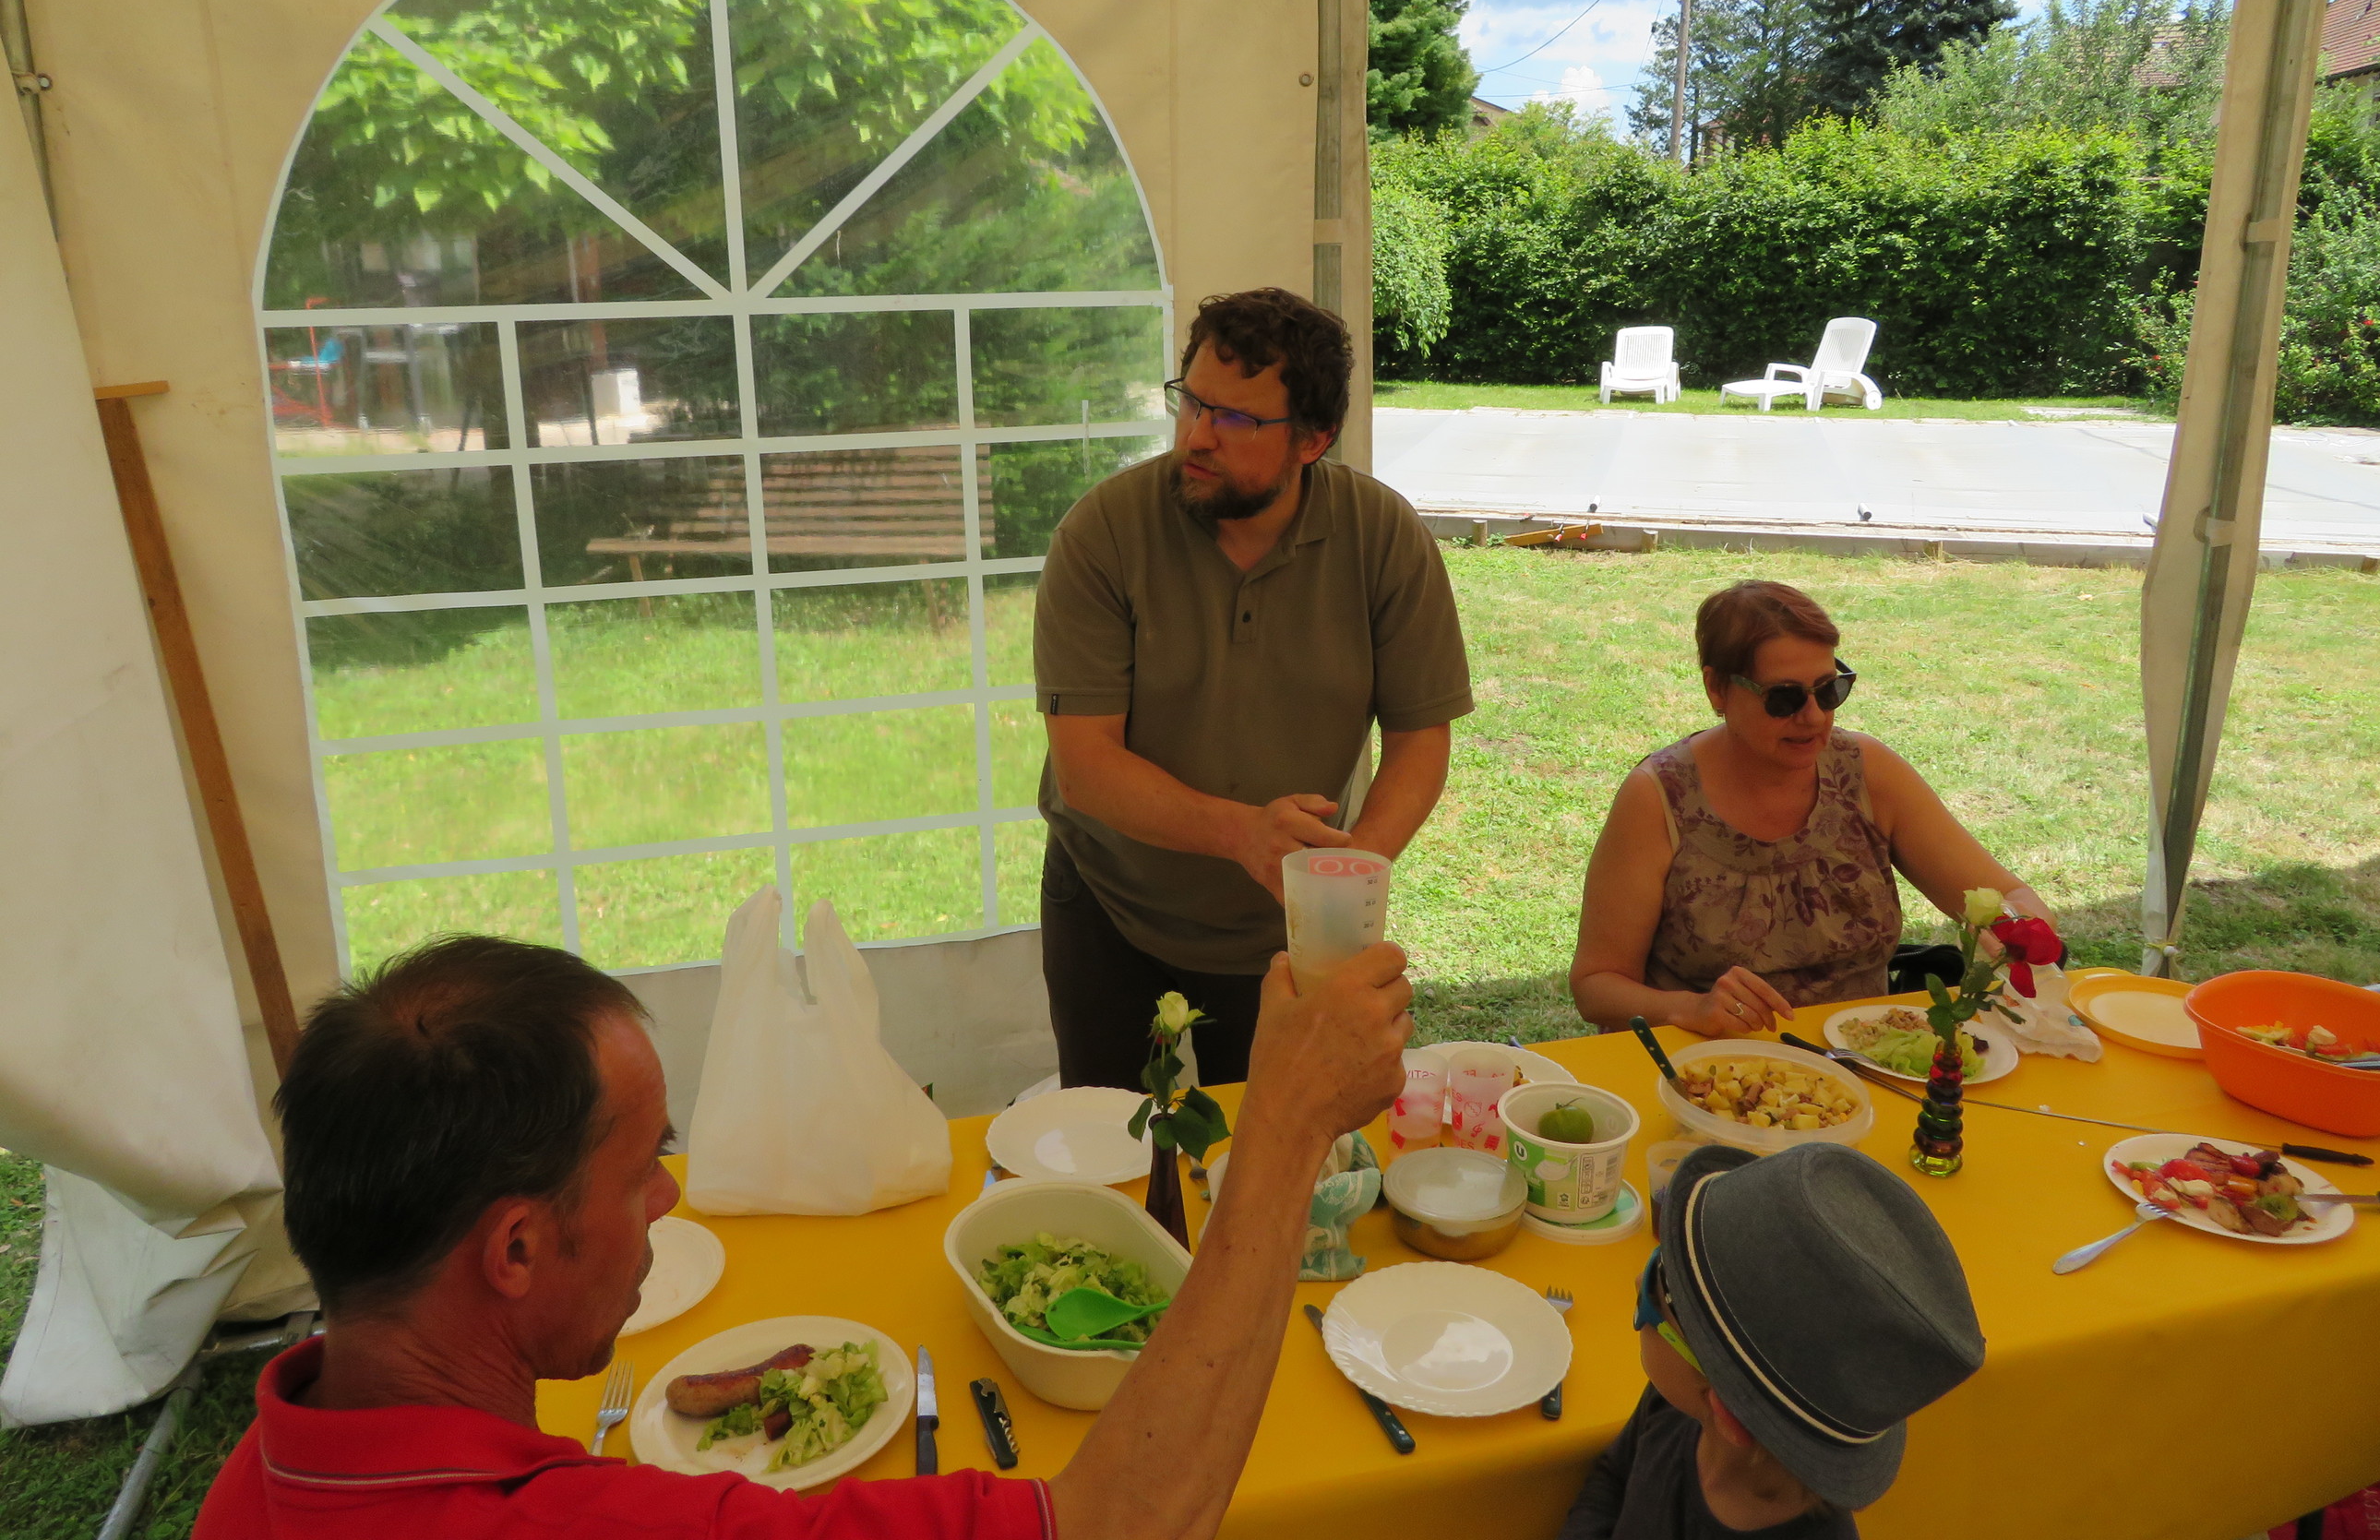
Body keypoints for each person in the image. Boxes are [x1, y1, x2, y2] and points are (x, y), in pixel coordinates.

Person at [194, 929, 1413, 1540]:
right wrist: (1285, 1127)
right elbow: (1115, 1521)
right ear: (513, 1251)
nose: (669, 1200)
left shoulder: (255, 1483)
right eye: (642, 1171)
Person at [1034, 287, 1472, 1090]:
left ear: (1313, 439)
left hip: (1289, 928)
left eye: (1236, 418)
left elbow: (1421, 740)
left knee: (1281, 1137)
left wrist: (1350, 873)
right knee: (1113, 1144)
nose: (1197, 435)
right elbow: (1085, 767)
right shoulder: (1103, 534)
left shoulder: (1381, 538)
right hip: (1110, 905)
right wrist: (1242, 834)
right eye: (1192, 401)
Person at [1571, 579, 2061, 1037]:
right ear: (1717, 688)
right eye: (1783, 698)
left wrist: (2012, 925)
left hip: (1864, 1052)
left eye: (1829, 690)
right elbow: (1597, 985)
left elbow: (2010, 895)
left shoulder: (1867, 773)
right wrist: (1690, 1008)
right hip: (1714, 1061)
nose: (1814, 717)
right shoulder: (1659, 797)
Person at [1558, 1142, 1985, 1540]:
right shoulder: (1676, 1403)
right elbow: (1613, 1478)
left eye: (1657, 1290)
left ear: (1726, 1413)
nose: (1638, 1280)